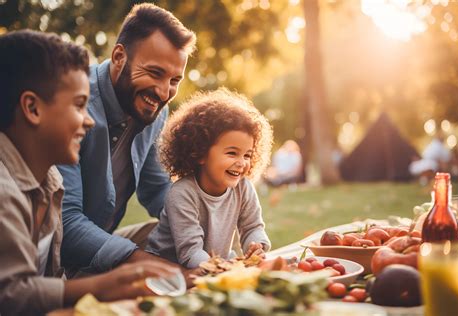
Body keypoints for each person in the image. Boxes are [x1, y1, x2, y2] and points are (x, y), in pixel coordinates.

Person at [0, 30, 178, 316]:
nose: (89, 121)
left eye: (174, 80)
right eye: (79, 106)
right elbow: (10, 296)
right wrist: (105, 285)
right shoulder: (6, 193)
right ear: (32, 108)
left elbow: (49, 276)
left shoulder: (48, 181)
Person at [57, 3, 196, 274]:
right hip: (54, 258)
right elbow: (65, 223)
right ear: (119, 57)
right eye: (155, 73)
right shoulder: (72, 102)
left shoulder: (154, 109)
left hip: (103, 246)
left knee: (193, 234)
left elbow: (157, 189)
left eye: (174, 80)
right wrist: (144, 264)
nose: (163, 91)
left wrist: (208, 216)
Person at [146, 88, 273, 268]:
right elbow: (190, 253)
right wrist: (223, 268)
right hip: (168, 270)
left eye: (247, 155)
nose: (241, 162)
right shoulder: (182, 193)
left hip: (214, 265)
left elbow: (253, 227)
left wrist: (257, 246)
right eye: (232, 153)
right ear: (200, 153)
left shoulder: (243, 187)